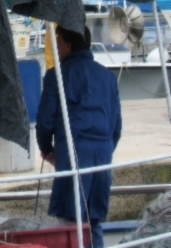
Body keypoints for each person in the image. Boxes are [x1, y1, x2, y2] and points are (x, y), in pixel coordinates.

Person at [36, 25, 122, 248]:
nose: (56, 46)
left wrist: (46, 148)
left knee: (69, 222)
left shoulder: (57, 75)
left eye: (58, 40)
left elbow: (45, 121)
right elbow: (116, 127)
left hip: (74, 153)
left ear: (68, 45)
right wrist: (104, 148)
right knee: (94, 222)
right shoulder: (108, 77)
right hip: (102, 156)